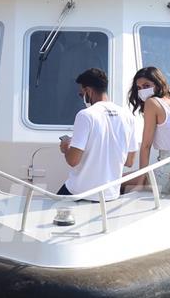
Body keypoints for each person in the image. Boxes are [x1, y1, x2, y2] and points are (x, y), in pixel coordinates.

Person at [59, 68, 138, 201]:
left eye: (81, 94)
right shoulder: (128, 116)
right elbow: (129, 161)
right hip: (110, 195)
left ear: (88, 91)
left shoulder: (86, 115)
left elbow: (73, 161)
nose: (82, 97)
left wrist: (65, 148)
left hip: (80, 192)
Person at [126, 66, 170, 194]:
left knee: (118, 183)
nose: (142, 91)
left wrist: (140, 184)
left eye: (146, 86)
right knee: (129, 178)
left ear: (157, 83)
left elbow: (146, 146)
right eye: (139, 88)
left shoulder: (152, 103)